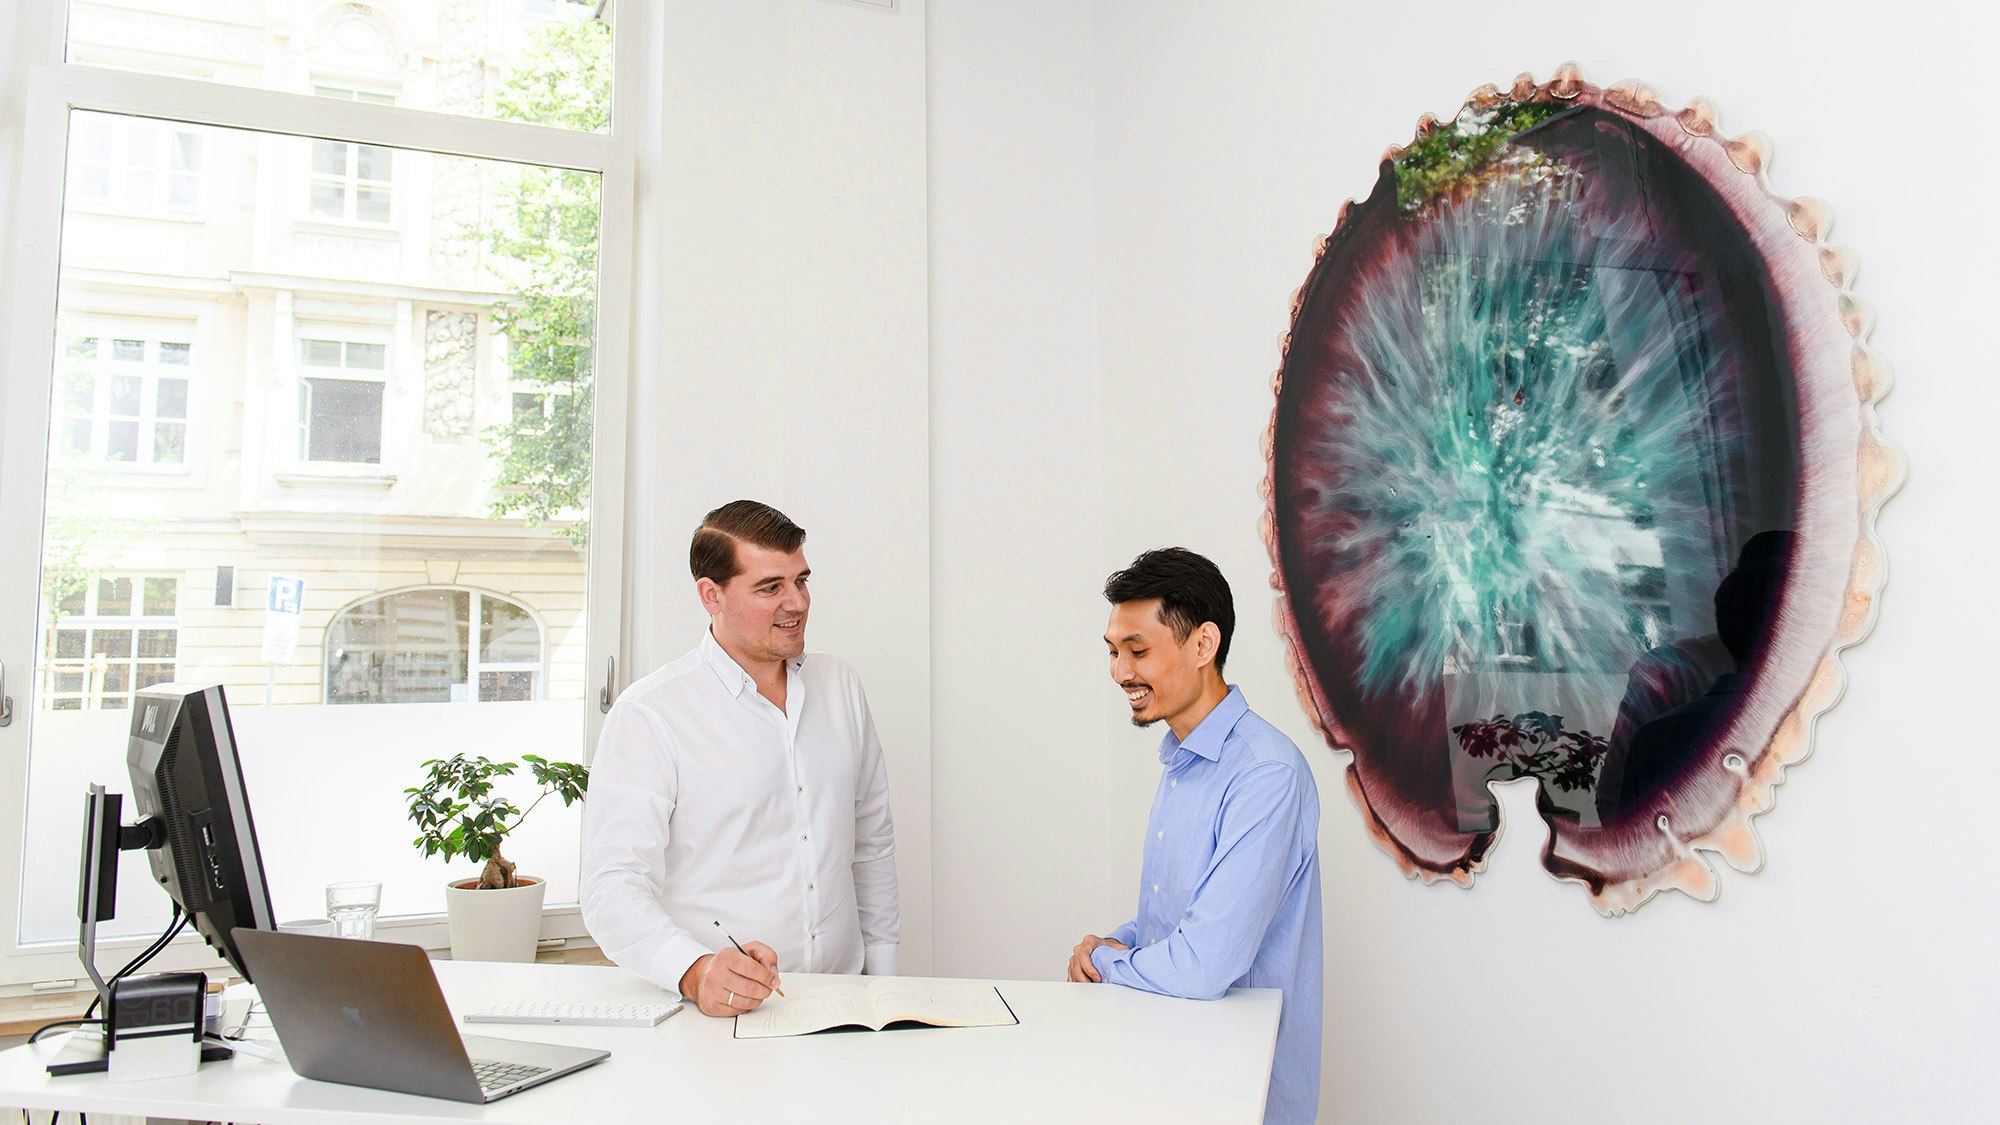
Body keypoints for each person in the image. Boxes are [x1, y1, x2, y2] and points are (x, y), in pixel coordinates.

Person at [580, 500, 900, 1018]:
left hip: (849, 1005)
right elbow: (609, 886)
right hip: (723, 1017)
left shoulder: (840, 685)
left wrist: (888, 987)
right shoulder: (652, 713)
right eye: (770, 587)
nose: (796, 602)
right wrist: (694, 970)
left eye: (802, 580)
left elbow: (872, 842)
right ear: (711, 595)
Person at [1068, 548, 1323, 1125]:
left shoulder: (1265, 773)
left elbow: (1205, 964)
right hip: (1176, 1071)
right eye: (1112, 652)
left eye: (1137, 651)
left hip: (1242, 1092)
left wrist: (1110, 964)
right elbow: (1175, 920)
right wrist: (1107, 946)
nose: (1120, 672)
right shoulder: (1183, 763)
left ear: (1203, 645)